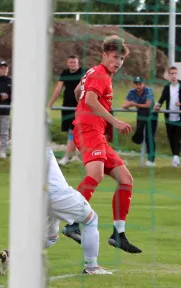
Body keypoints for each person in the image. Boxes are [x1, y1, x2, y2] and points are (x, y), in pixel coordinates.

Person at [62, 35, 141, 254]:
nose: (118, 62)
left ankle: (118, 234)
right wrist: (114, 121)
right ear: (104, 55)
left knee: (126, 179)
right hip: (88, 130)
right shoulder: (100, 75)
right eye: (115, 57)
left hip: (95, 131)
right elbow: (89, 100)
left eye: (122, 59)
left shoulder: (93, 72)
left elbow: (79, 92)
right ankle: (71, 223)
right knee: (95, 175)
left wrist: (86, 111)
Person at [46, 146, 111, 275]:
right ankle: (92, 267)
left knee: (49, 238)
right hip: (58, 193)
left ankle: (11, 255)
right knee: (91, 219)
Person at [47, 55, 86, 165]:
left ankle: (67, 156)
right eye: (71, 62)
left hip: (79, 107)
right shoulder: (65, 73)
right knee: (73, 131)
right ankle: (76, 156)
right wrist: (49, 104)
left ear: (78, 63)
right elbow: (58, 89)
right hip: (67, 106)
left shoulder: (83, 72)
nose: (73, 64)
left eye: (74, 62)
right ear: (67, 63)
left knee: (73, 131)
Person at [154, 66, 181, 167]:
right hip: (169, 116)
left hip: (180, 116)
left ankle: (176, 158)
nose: (174, 75)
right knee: (171, 137)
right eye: (172, 74)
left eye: (175, 73)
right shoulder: (167, 86)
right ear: (169, 75)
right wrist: (158, 105)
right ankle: (175, 157)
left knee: (178, 137)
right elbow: (162, 98)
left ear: (177, 74)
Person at [122, 76, 156, 166]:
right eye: (136, 84)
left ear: (143, 84)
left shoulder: (148, 90)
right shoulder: (132, 92)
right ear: (134, 85)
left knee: (150, 136)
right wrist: (129, 104)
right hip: (141, 114)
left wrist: (134, 104)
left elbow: (148, 105)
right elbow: (124, 104)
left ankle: (151, 160)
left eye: (140, 84)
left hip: (152, 114)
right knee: (142, 111)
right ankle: (139, 133)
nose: (138, 86)